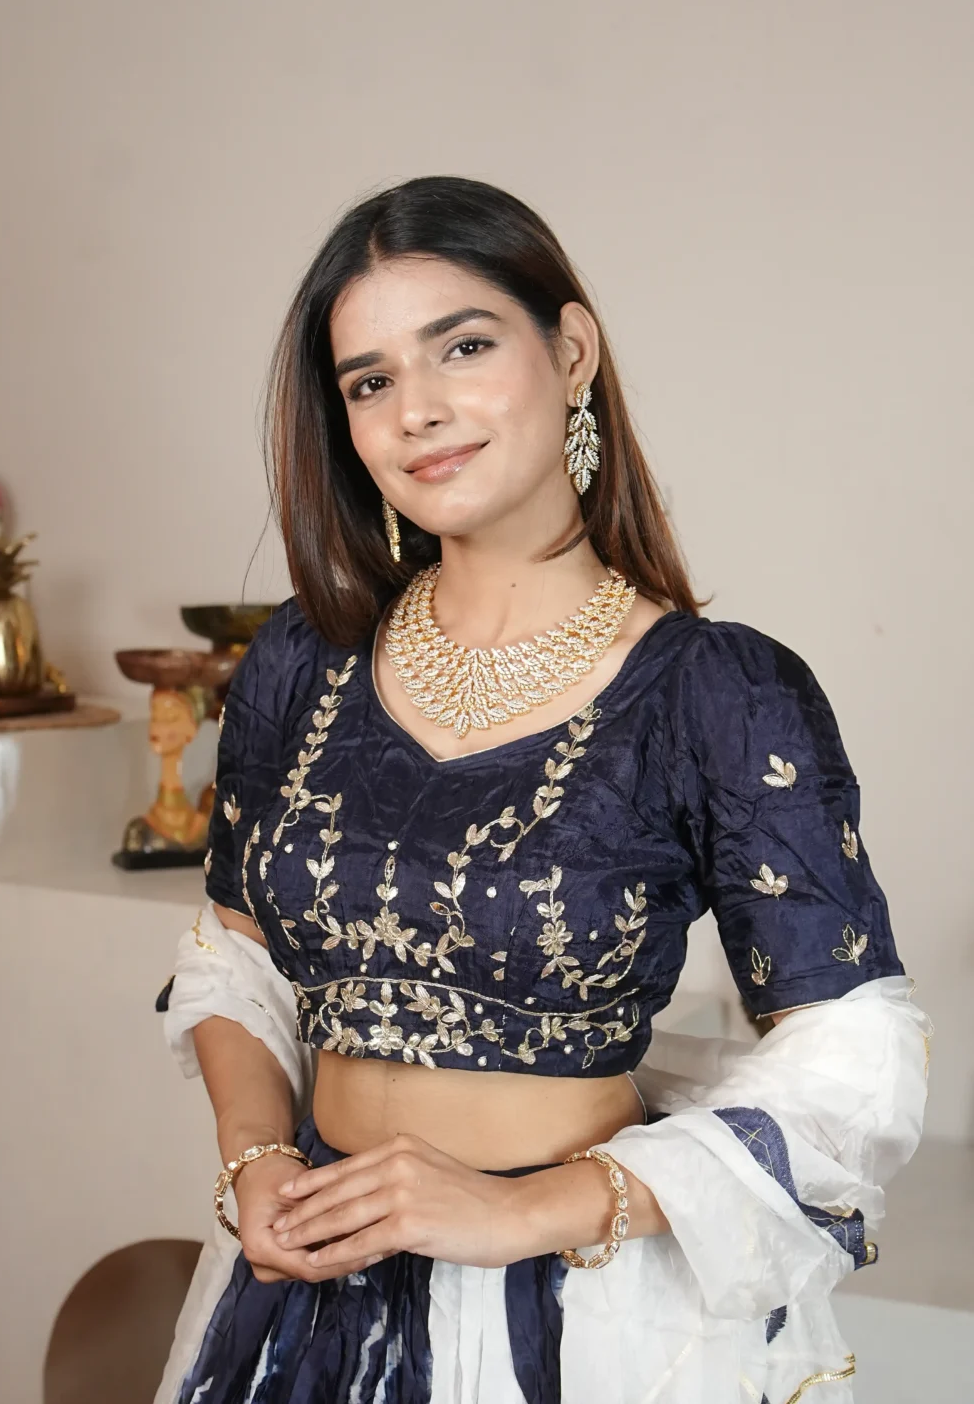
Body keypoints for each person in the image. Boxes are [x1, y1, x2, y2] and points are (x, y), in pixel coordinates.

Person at [155, 176, 931, 1404]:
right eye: (368, 382)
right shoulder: (301, 661)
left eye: (461, 347)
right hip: (307, 1291)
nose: (417, 410)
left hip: (580, 1313)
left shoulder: (715, 693)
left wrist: (521, 1213)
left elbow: (852, 1051)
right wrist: (252, 1159)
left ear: (570, 352)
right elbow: (233, 953)